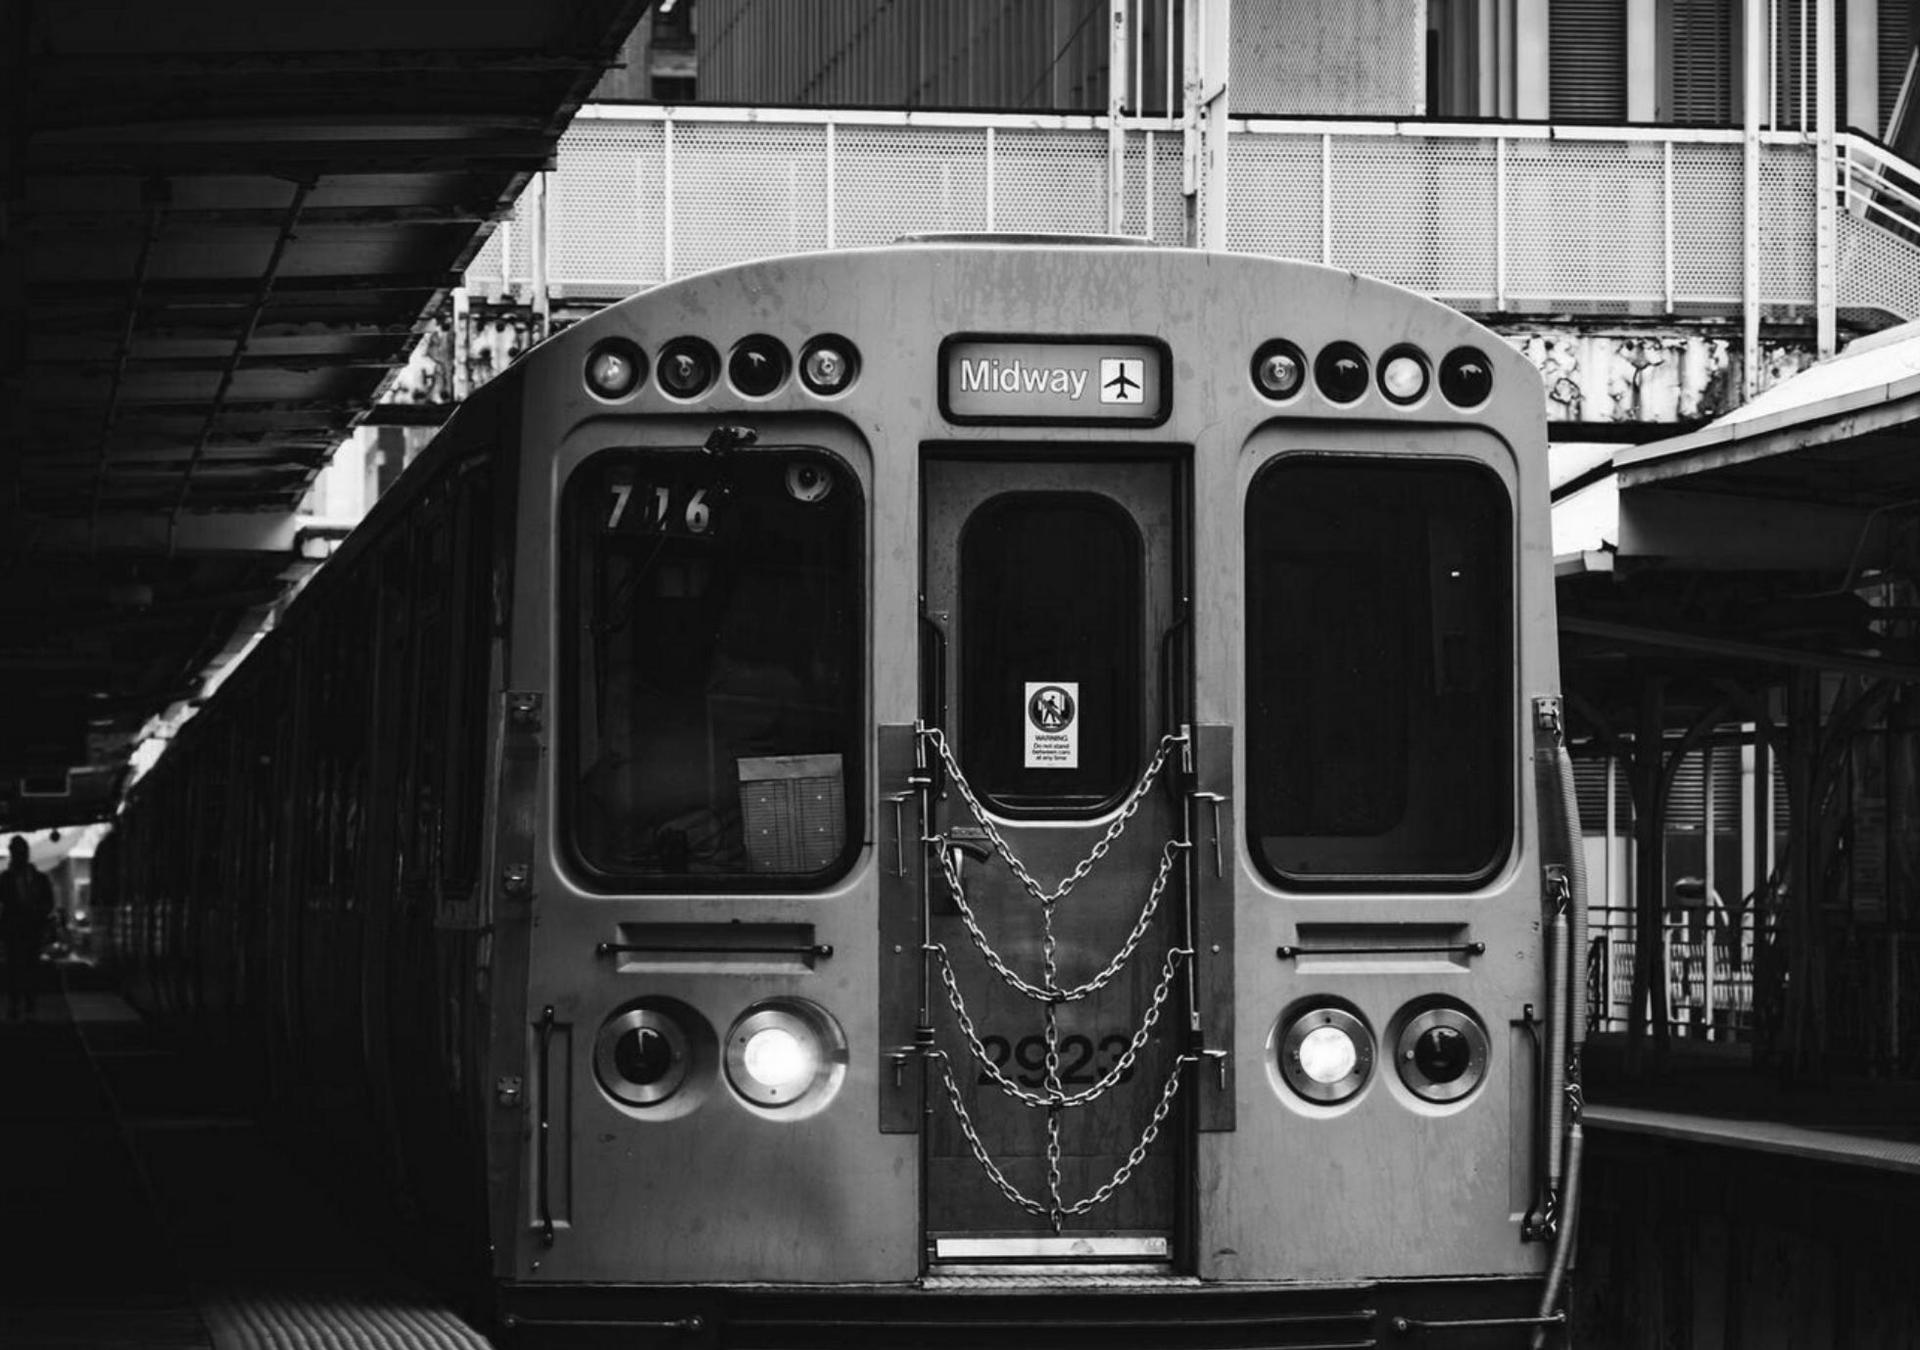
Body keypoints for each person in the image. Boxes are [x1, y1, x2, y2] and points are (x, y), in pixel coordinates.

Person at [1, 835, 55, 1021]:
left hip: (28, 928)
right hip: (17, 930)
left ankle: (25, 1002)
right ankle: (19, 1003)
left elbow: (49, 903)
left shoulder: (35, 879)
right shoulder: (8, 879)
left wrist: (39, 914)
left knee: (26, 966)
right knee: (16, 967)